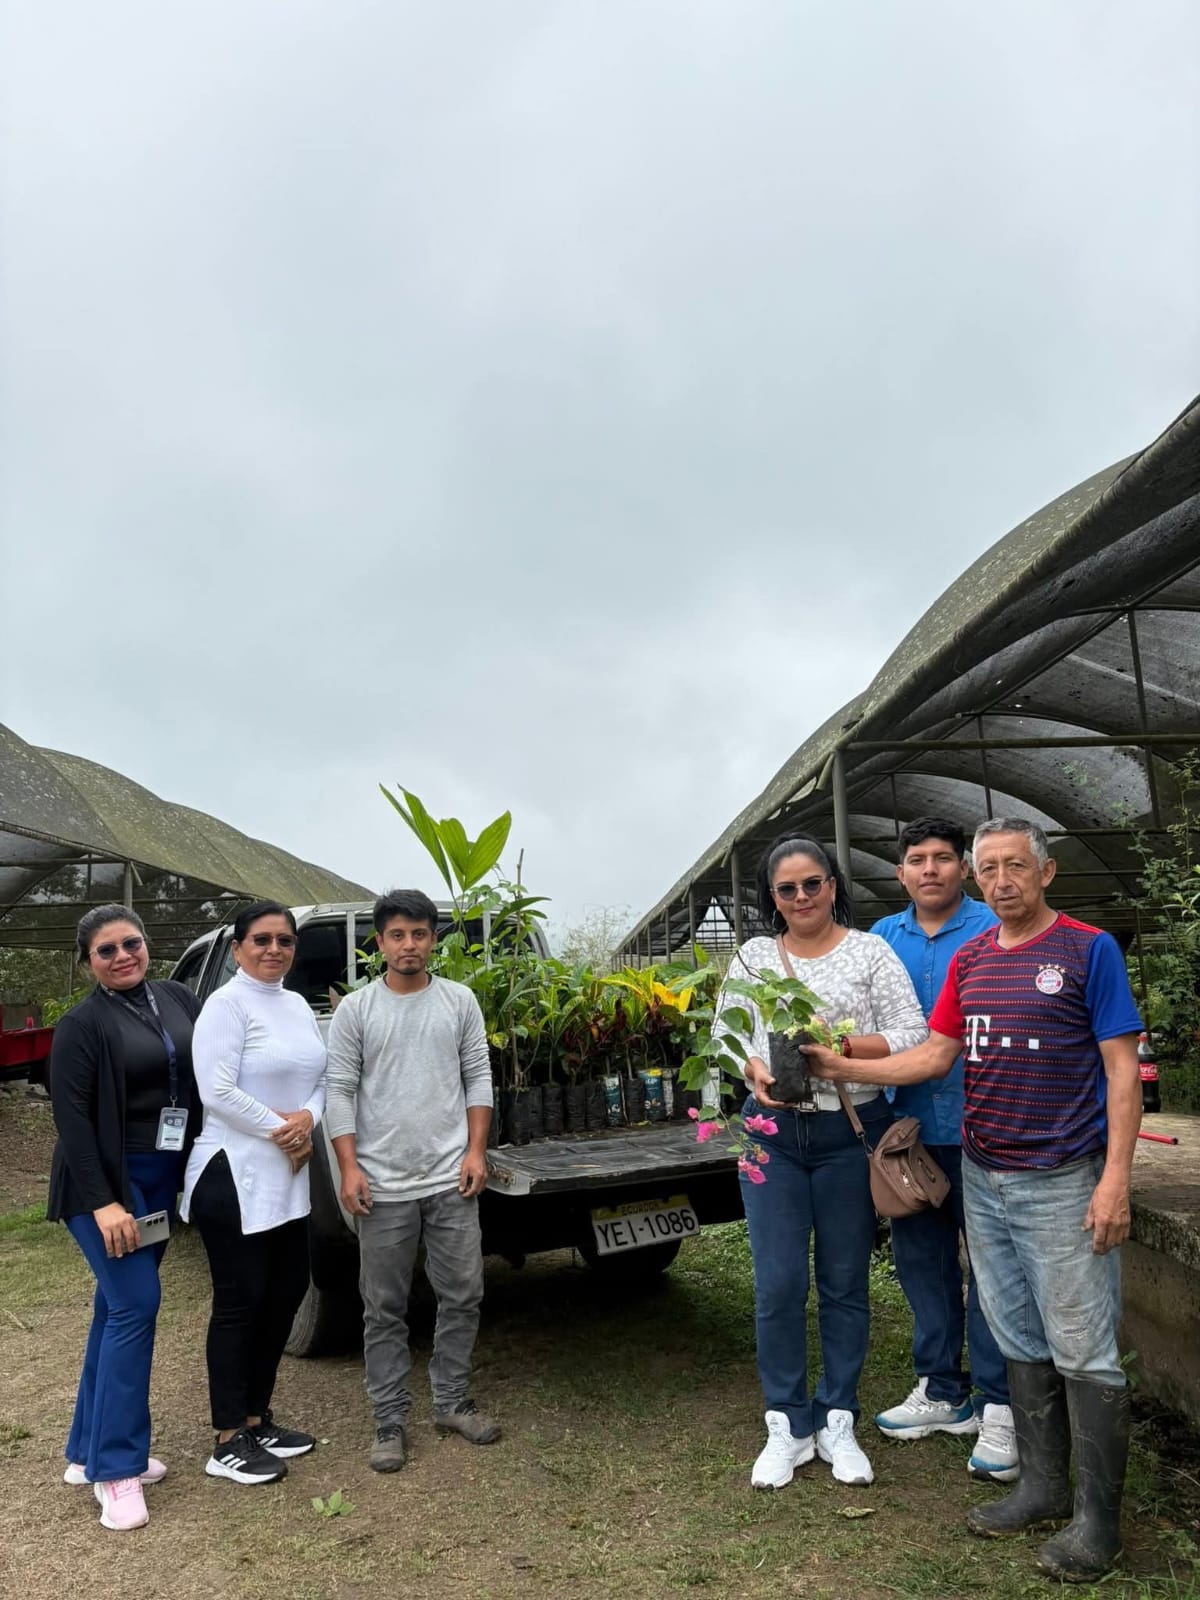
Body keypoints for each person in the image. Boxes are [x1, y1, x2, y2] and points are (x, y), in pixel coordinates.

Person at [805, 817, 1142, 1584]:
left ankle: (1098, 1524)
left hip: (1062, 1177)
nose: (1001, 881)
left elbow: (1122, 1070)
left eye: (1015, 866)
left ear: (1045, 872)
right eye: (989, 868)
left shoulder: (1088, 950)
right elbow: (933, 1055)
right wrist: (839, 1067)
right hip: (985, 1177)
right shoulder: (973, 959)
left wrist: (1115, 1180)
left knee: (1082, 1346)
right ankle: (1043, 1488)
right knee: (1017, 1334)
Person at [714, 836, 928, 1492]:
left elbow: (912, 1031)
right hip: (771, 1137)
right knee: (778, 1282)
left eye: (813, 883)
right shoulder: (754, 957)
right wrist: (754, 1068)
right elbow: (726, 1032)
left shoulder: (869, 953)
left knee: (843, 1281)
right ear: (772, 898)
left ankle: (838, 1416)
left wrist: (841, 1051)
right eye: (788, 889)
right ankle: (786, 1421)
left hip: (848, 1134)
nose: (802, 897)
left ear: (833, 885)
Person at [325, 888, 499, 1473]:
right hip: (383, 1185)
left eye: (419, 934)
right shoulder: (357, 1011)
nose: (409, 945)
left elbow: (478, 1076)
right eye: (397, 935)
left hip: (451, 1179)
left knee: (464, 1293)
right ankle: (389, 1419)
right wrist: (349, 1167)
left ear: (433, 940)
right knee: (383, 1307)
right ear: (380, 943)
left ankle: (451, 1401)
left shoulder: (458, 1001)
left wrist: (476, 1150)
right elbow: (339, 1090)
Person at [47, 904, 202, 1531]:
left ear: (146, 943)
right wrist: (105, 1202)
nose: (122, 956)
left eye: (130, 943)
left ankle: (87, 1450)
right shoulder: (81, 1025)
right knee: (137, 1305)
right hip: (108, 1184)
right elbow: (71, 1120)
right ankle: (116, 1469)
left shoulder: (178, 998)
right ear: (88, 962)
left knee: (114, 1306)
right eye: (105, 950)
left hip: (163, 1175)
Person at [869, 818, 1015, 1481]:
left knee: (991, 1268)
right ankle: (941, 1388)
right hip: (906, 1132)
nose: (930, 869)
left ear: (966, 869)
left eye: (943, 858)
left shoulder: (994, 928)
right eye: (917, 859)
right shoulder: (879, 939)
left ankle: (997, 1399)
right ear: (899, 872)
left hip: (985, 1127)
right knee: (921, 1262)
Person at [180, 902, 327, 1486]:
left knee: (285, 1293)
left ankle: (256, 1418)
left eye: (284, 940)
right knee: (240, 1302)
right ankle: (227, 1439)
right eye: (261, 940)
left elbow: (320, 1080)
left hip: (287, 1174)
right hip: (232, 1172)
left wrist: (308, 1120)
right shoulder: (226, 1005)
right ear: (237, 948)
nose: (274, 949)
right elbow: (216, 1092)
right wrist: (284, 1130)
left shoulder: (296, 1006)